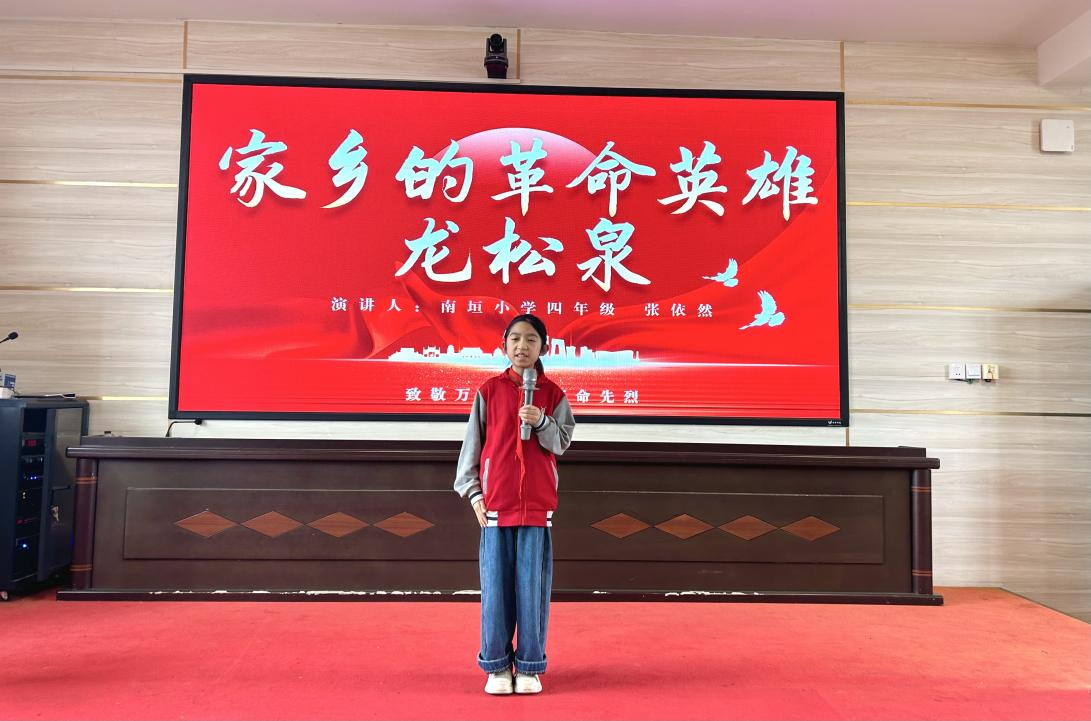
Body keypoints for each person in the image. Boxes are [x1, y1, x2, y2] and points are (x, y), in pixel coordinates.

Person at [453, 314, 576, 695]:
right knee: (496, 593)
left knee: (531, 592)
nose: (523, 346)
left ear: (544, 348)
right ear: (504, 345)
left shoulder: (553, 395)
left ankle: (529, 667)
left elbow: (562, 442)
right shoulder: (488, 391)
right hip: (496, 508)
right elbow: (472, 448)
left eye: (531, 340)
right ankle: (495, 667)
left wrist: (540, 421)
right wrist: (474, 492)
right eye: (516, 339)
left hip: (536, 509)